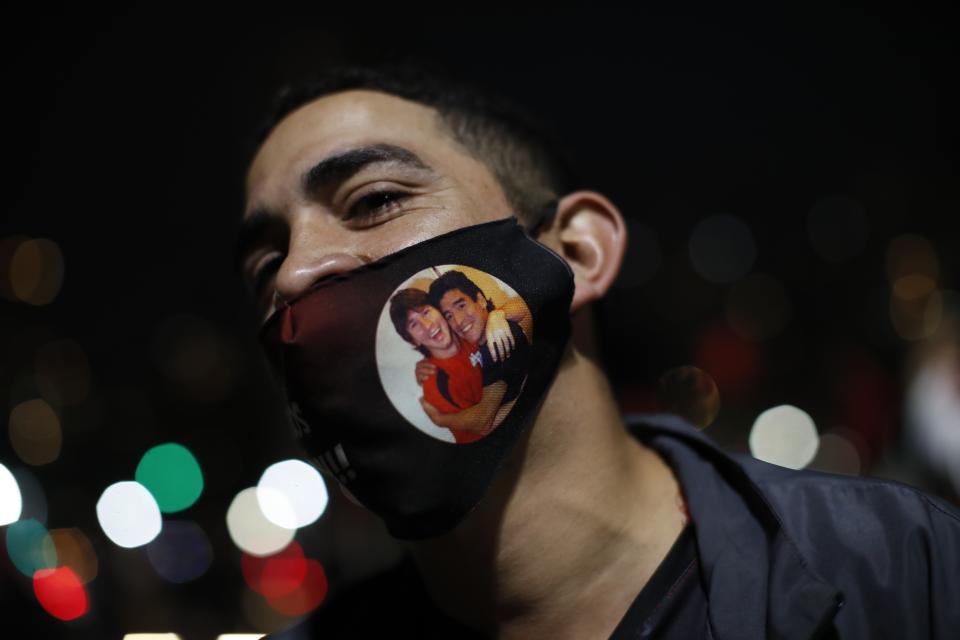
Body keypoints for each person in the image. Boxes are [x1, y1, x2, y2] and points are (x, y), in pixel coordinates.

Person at [237, 62, 960, 638]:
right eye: (264, 267)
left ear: (577, 250)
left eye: (374, 201)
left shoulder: (903, 570)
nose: (297, 274)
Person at [415, 270, 532, 435]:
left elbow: (482, 421)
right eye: (448, 316)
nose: (458, 321)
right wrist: (498, 314)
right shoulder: (481, 335)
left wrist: (440, 420)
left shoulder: (495, 347)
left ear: (481, 300)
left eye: (461, 306)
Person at [387, 287, 488, 442]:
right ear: (413, 340)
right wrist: (439, 419)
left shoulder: (467, 333)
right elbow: (486, 424)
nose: (427, 326)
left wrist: (497, 318)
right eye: (414, 324)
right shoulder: (434, 381)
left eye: (426, 312)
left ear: (439, 310)